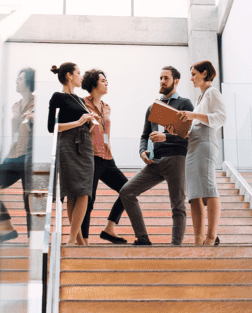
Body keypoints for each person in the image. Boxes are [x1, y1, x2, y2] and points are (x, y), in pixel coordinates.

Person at [119, 67, 194, 246]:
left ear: (176, 81)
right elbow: (145, 135)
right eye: (160, 78)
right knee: (126, 192)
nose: (162, 81)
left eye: (166, 78)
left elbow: (190, 133)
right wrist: (142, 151)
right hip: (155, 161)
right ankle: (143, 237)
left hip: (176, 158)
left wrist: (166, 136)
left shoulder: (185, 104)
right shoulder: (153, 107)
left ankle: (175, 246)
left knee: (178, 205)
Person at [0, 68, 36, 243]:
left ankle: (32, 240)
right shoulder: (15, 105)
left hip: (27, 159)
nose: (16, 82)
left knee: (29, 200)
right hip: (10, 157)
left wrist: (35, 120)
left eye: (20, 79)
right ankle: (4, 226)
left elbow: (47, 131)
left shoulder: (39, 105)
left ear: (28, 82)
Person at [177, 61, 227, 246]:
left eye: (194, 74)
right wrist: (178, 129)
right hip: (193, 144)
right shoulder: (200, 98)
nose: (191, 78)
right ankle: (198, 238)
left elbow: (221, 118)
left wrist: (192, 116)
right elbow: (195, 126)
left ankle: (211, 237)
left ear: (205, 73)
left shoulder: (212, 92)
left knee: (208, 187)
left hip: (205, 143)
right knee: (194, 193)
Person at [48, 62, 98, 246]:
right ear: (69, 75)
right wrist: (79, 121)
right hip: (67, 144)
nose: (81, 76)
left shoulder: (79, 99)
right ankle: (74, 240)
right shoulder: (57, 97)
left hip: (84, 145)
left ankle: (76, 241)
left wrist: (90, 123)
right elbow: (51, 127)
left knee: (84, 191)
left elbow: (82, 121)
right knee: (72, 193)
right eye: (78, 73)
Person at [80, 69, 129, 244]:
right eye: (103, 80)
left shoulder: (106, 107)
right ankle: (83, 240)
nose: (106, 83)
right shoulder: (81, 104)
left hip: (107, 157)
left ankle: (109, 229)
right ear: (93, 84)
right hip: (90, 157)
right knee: (88, 199)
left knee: (128, 190)